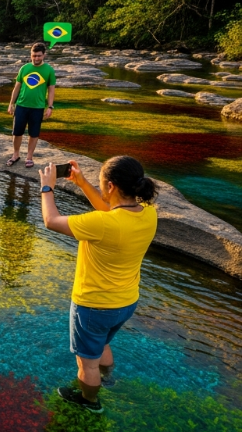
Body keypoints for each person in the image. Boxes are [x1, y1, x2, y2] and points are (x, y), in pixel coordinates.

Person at [38, 156, 158, 414]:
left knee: (86, 364)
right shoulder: (148, 214)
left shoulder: (101, 224)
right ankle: (109, 378)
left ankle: (89, 402)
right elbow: (110, 209)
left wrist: (47, 187)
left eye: (102, 183)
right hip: (126, 303)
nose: (101, 188)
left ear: (111, 187)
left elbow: (51, 220)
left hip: (94, 306)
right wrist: (81, 182)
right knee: (103, 344)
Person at [7, 42, 56, 168]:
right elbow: (17, 87)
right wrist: (11, 103)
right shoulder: (24, 68)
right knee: (17, 132)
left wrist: (50, 106)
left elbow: (51, 90)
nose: (36, 58)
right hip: (21, 105)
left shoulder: (49, 70)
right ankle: (16, 154)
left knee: (33, 134)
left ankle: (29, 157)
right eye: (34, 56)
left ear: (44, 55)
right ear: (31, 55)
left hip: (38, 107)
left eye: (39, 56)